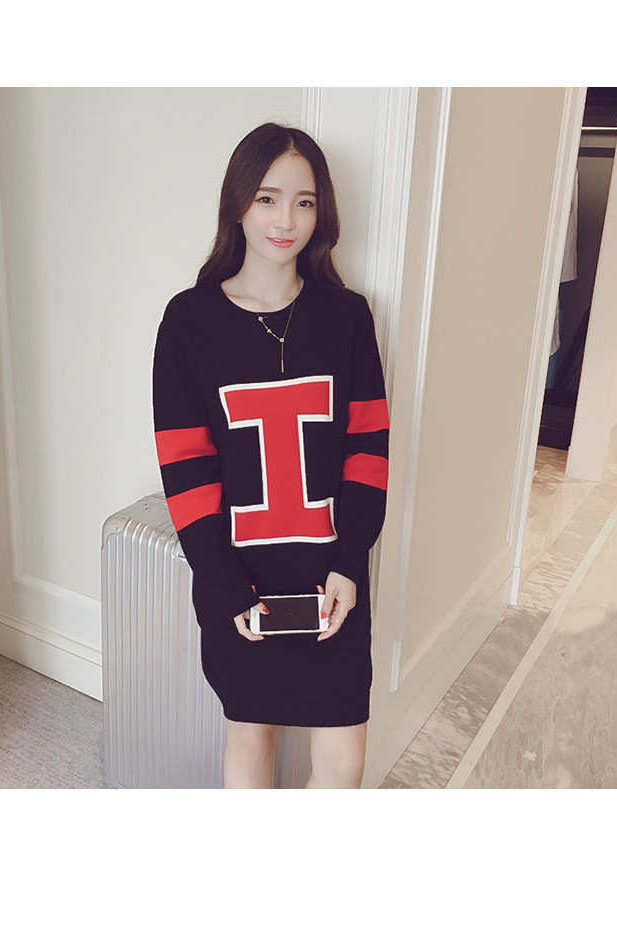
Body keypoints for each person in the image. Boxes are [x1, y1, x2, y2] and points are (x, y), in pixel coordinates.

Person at [152, 122, 389, 788]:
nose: (286, 220)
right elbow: (187, 469)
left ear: (322, 212)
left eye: (304, 201)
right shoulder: (189, 321)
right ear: (237, 204)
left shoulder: (347, 317)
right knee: (251, 736)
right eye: (267, 198)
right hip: (239, 576)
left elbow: (368, 450)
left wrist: (349, 562)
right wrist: (223, 583)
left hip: (332, 576)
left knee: (344, 762)